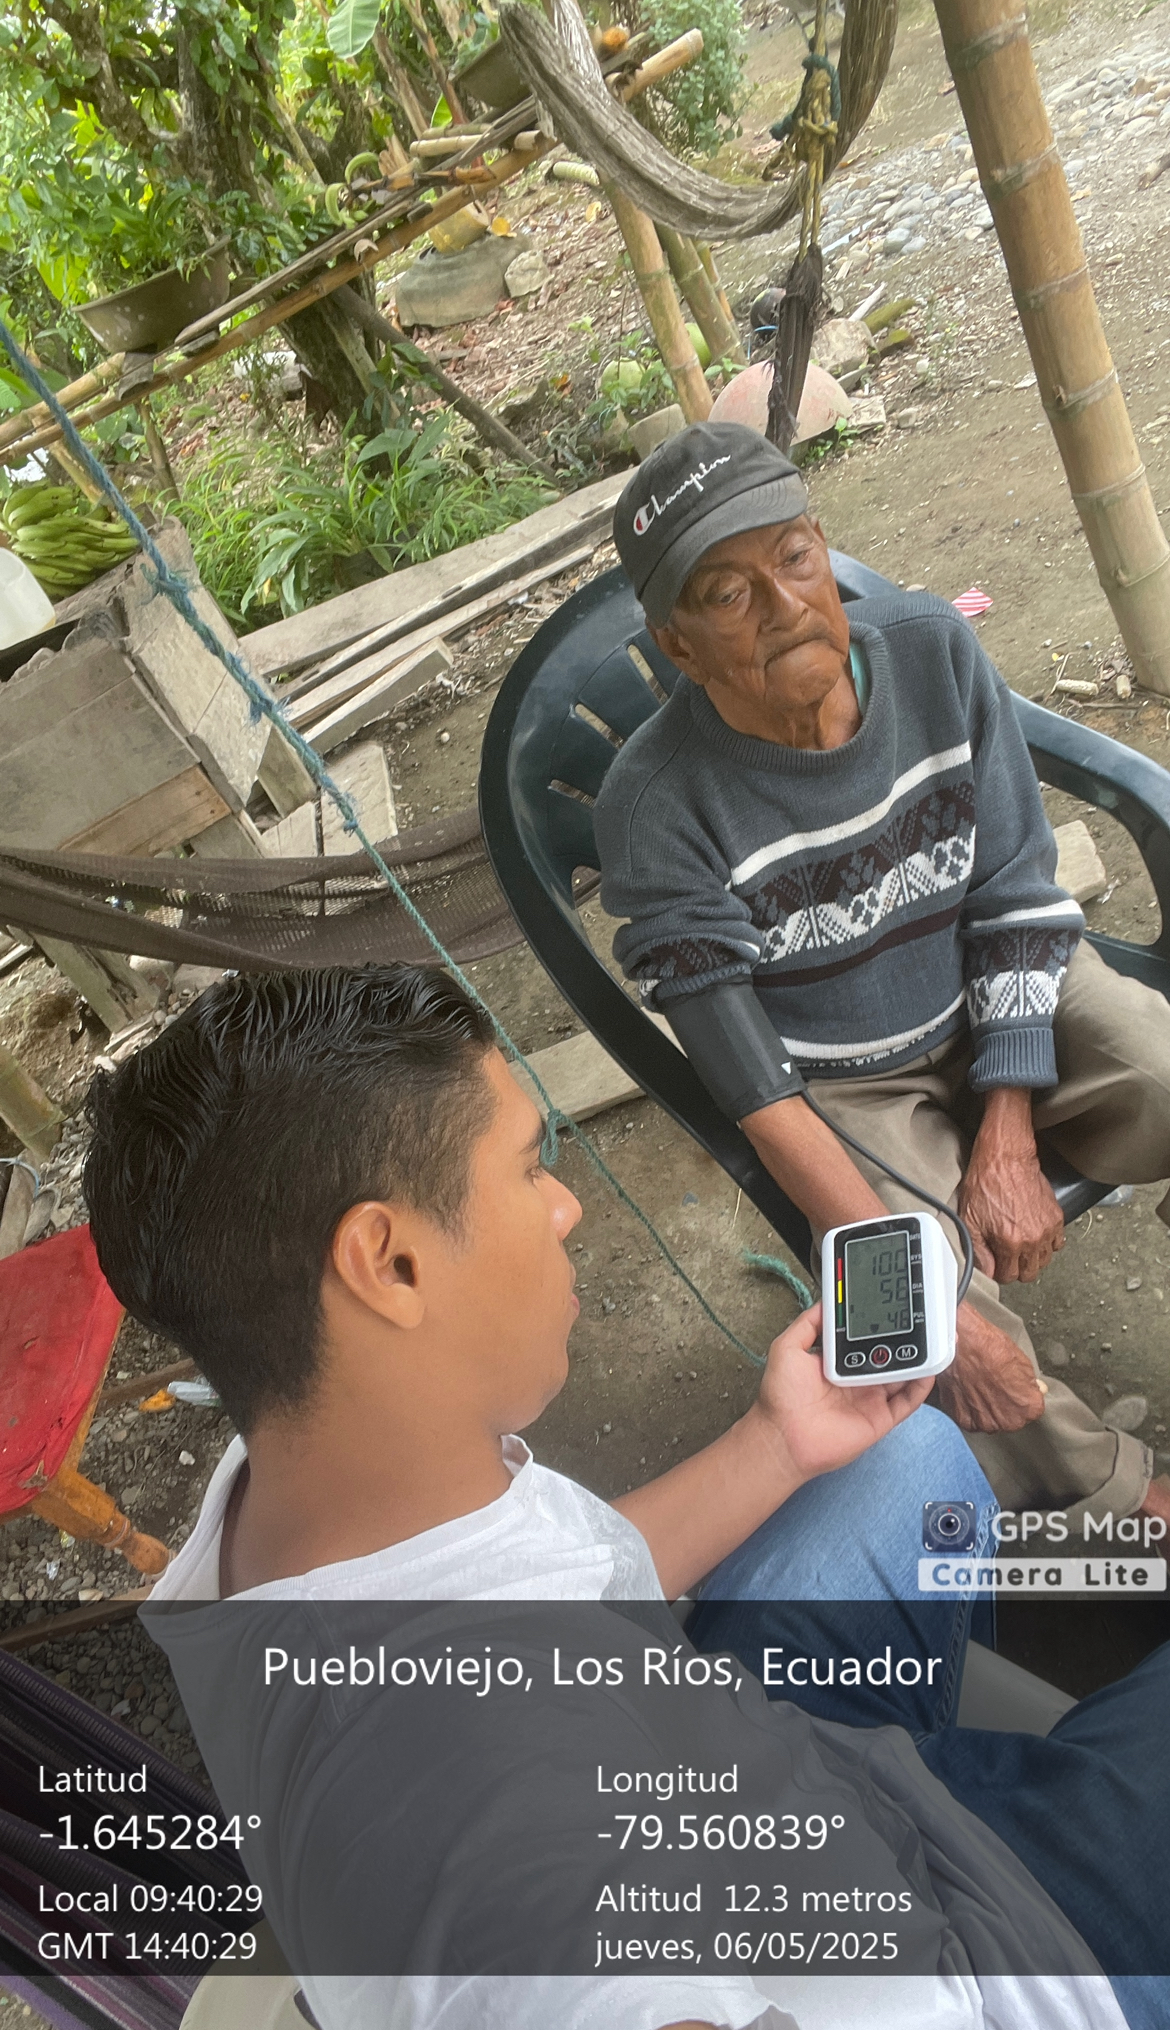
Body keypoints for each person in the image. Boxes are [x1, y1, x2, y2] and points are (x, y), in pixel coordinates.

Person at [80, 965, 1166, 2030]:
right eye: (528, 1168)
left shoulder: (299, 1487)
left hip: (754, 1776)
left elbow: (547, 1584)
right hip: (981, 1951)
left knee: (908, 1455)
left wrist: (776, 1443)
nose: (567, 1207)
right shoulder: (510, 1859)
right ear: (389, 1261)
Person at [593, 419, 1170, 1536]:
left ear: (823, 545)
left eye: (794, 557)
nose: (783, 605)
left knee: (1159, 1065)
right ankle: (1109, 1492)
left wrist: (1006, 1128)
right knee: (911, 1320)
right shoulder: (654, 808)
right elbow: (757, 1091)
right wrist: (946, 1318)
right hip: (840, 1084)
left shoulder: (931, 651)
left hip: (993, 984)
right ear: (677, 646)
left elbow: (1013, 889)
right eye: (728, 593)